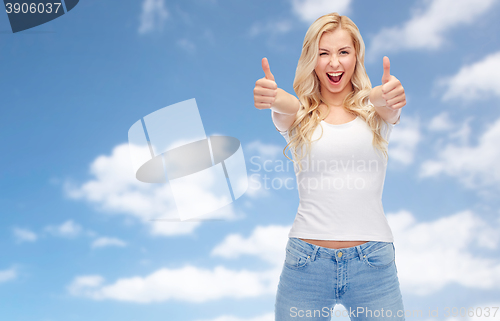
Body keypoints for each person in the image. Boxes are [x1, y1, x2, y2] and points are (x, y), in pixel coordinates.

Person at [253, 13, 406, 320]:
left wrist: (385, 93)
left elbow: (380, 101)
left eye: (343, 52)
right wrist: (274, 98)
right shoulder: (299, 115)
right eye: (324, 53)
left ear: (356, 57)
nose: (334, 63)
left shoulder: (375, 114)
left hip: (373, 262)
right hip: (306, 264)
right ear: (312, 59)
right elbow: (288, 106)